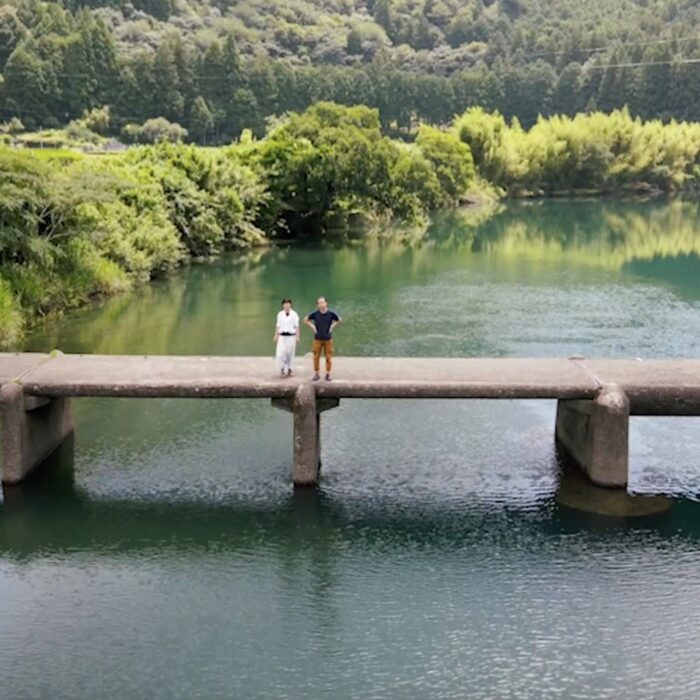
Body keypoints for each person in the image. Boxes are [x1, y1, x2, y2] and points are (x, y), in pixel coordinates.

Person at [304, 296, 342, 381]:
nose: (321, 304)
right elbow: (305, 320)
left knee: (328, 357)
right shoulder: (315, 313)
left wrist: (332, 326)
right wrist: (313, 327)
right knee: (316, 356)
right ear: (317, 305)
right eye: (319, 303)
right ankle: (316, 373)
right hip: (317, 339)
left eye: (322, 302)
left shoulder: (331, 313)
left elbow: (339, 319)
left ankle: (328, 374)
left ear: (326, 303)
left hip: (328, 338)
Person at [274, 298, 300, 377]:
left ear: (290, 305)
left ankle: (290, 369)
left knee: (290, 353)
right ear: (283, 305)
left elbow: (297, 326)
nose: (286, 305)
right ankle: (282, 370)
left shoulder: (294, 314)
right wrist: (276, 335)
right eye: (285, 304)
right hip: (282, 335)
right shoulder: (280, 314)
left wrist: (297, 336)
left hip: (291, 336)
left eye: (288, 304)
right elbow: (278, 325)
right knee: (280, 353)